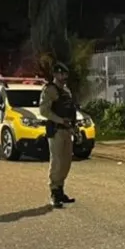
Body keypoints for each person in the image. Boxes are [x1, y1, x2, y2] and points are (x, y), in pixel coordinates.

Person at [40, 61, 77, 209]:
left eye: (65, 74)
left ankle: (61, 189)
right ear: (55, 74)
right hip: (56, 130)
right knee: (56, 162)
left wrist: (73, 126)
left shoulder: (66, 91)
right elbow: (44, 111)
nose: (64, 76)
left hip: (67, 130)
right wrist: (60, 120)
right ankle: (54, 192)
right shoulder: (49, 90)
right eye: (61, 73)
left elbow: (70, 110)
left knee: (66, 162)